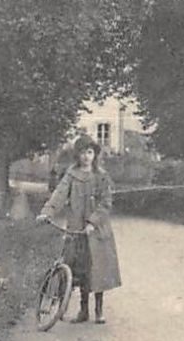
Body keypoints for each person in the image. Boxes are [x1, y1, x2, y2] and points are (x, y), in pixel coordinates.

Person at [37, 136, 122, 324]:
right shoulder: (71, 174)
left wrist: (93, 222)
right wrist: (47, 212)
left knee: (98, 270)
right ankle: (83, 311)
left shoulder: (101, 176)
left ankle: (98, 310)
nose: (86, 157)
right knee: (80, 270)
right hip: (76, 230)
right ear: (77, 155)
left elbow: (106, 203)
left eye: (90, 152)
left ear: (95, 155)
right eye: (83, 152)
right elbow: (59, 194)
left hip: (97, 231)